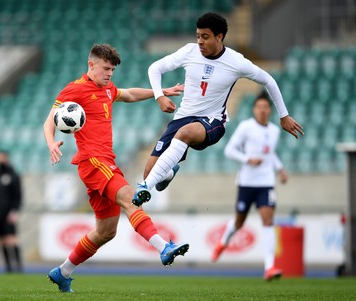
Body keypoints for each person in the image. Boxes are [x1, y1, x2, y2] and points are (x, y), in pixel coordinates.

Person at [43, 44, 189, 293]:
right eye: (105, 68)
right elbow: (50, 120)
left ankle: (63, 271)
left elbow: (129, 94)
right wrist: (51, 143)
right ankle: (163, 246)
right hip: (93, 161)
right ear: (91, 65)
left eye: (112, 69)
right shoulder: (75, 90)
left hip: (103, 162)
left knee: (106, 231)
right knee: (131, 199)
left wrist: (160, 91)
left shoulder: (108, 89)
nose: (110, 73)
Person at [131, 12, 303, 207]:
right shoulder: (189, 52)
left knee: (182, 136)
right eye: (198, 36)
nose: (200, 42)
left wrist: (284, 115)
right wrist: (159, 96)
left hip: (212, 121)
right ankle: (167, 172)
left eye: (205, 37)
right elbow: (155, 68)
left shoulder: (236, 62)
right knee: (153, 173)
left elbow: (268, 80)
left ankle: (144, 187)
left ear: (219, 37)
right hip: (182, 118)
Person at [211, 92, 288, 281]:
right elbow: (229, 150)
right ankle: (223, 242)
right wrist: (247, 159)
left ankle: (270, 267)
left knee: (268, 221)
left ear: (270, 110)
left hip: (266, 183)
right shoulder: (246, 127)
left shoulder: (274, 131)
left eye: (265, 107)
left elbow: (269, 154)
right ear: (254, 109)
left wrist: (280, 169)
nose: (262, 110)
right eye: (259, 107)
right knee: (239, 222)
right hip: (246, 182)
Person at [0, 150, 23, 273]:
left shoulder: (13, 175)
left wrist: (14, 211)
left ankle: (18, 266)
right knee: (1, 240)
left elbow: (18, 195)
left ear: (6, 158)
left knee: (11, 239)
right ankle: (8, 267)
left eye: (2, 157)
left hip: (8, 213)